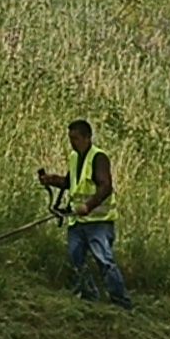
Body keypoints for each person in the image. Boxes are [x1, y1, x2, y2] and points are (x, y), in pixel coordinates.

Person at [37, 120, 133, 310]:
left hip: (98, 222)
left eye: (76, 138)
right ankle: (89, 296)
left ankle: (121, 302)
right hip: (78, 221)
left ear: (87, 138)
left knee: (104, 260)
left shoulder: (99, 158)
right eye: (70, 139)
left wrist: (88, 206)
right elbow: (70, 182)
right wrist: (51, 180)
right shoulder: (75, 157)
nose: (72, 142)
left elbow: (106, 187)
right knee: (75, 258)